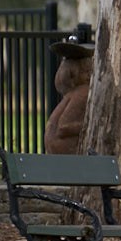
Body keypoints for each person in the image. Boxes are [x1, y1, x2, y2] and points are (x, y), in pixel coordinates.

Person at [46, 23, 94, 155]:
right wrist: (89, 125)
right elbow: (63, 127)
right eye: (88, 72)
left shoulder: (72, 94)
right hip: (65, 152)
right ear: (75, 74)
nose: (91, 76)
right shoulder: (82, 93)